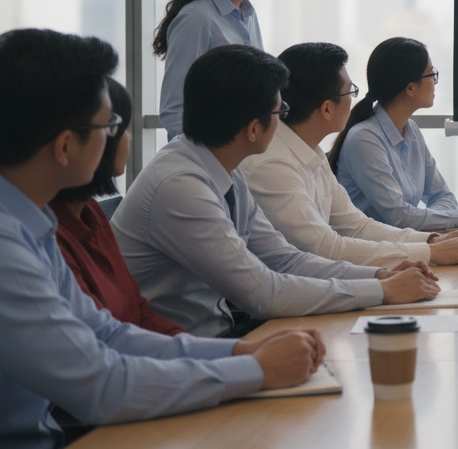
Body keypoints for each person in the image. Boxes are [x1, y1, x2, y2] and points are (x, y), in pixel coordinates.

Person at [0, 29, 324, 449]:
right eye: (107, 128)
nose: (115, 141)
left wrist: (241, 353)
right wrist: (257, 371)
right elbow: (100, 383)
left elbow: (107, 333)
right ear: (64, 147)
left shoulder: (27, 216)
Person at [115, 45, 441, 337]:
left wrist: (381, 275)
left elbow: (284, 259)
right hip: (186, 349)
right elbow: (263, 293)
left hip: (218, 334)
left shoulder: (222, 166)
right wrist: (381, 290)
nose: (284, 120)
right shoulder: (181, 187)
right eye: (279, 112)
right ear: (254, 129)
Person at [241, 42, 458, 267]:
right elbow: (326, 248)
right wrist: (429, 252)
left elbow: (357, 227)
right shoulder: (273, 165)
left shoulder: (310, 151)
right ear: (327, 109)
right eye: (350, 92)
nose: (354, 101)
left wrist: (431, 241)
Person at [332, 37, 458, 230]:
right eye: (431, 74)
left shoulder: (411, 129)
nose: (435, 82)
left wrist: (438, 226)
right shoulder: (365, 139)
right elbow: (399, 217)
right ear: (410, 88)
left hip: (408, 246)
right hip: (373, 254)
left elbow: (443, 196)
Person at [51, 78, 184, 335]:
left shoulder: (90, 211)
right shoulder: (48, 235)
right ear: (66, 143)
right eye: (116, 128)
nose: (129, 138)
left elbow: (138, 311)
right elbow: (102, 346)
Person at [154, 0, 278, 141]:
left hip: (243, 160)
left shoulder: (248, 15)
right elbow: (175, 111)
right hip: (207, 164)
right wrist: (213, 162)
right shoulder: (196, 20)